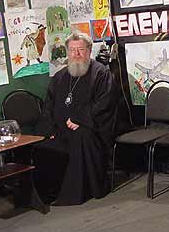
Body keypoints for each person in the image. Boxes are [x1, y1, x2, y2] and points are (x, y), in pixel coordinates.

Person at [33, 32, 116, 206]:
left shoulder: (101, 74)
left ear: (89, 51)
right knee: (42, 145)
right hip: (61, 131)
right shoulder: (60, 77)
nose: (76, 54)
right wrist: (50, 129)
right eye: (72, 50)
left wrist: (79, 120)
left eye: (81, 50)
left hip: (91, 130)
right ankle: (48, 193)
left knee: (82, 137)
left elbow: (105, 104)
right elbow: (48, 106)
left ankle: (75, 192)